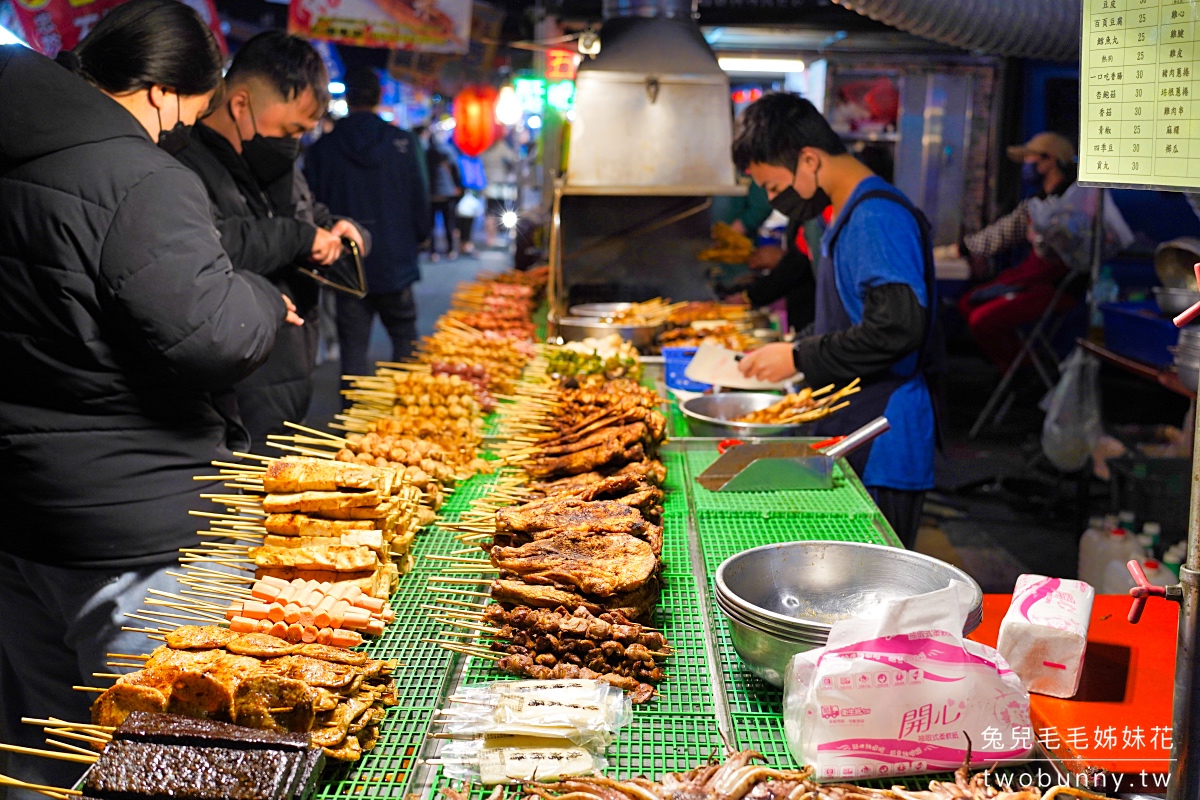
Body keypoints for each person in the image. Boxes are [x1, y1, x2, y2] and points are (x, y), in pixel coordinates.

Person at [0, 1, 291, 792]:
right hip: (138, 537)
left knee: (42, 750)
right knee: (168, 760)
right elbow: (211, 335)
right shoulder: (134, 173)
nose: (178, 136)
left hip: (25, 520)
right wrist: (262, 298)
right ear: (161, 92)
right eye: (187, 116)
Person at [734, 93, 937, 549]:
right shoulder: (849, 214)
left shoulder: (875, 218)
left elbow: (898, 327)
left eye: (772, 186)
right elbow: (848, 318)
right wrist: (793, 348)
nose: (774, 199)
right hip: (858, 421)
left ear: (809, 160)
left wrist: (799, 355)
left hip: (884, 436)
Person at [175, 31, 369, 444]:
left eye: (304, 132)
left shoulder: (276, 159)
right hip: (235, 395)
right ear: (241, 103)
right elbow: (217, 245)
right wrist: (299, 237)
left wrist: (341, 230)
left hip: (289, 376)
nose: (294, 144)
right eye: (289, 129)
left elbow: (307, 214)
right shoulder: (184, 167)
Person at [304, 66, 431, 380]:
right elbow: (421, 197)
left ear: (347, 98)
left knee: (353, 350)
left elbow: (309, 206)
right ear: (379, 97)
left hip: (348, 263)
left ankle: (351, 422)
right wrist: (421, 238)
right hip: (397, 259)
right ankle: (407, 416)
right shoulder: (404, 142)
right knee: (405, 340)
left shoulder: (323, 149)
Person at [934, 132, 1079, 373]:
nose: (1026, 165)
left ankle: (1024, 371)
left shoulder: (1070, 202)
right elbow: (1003, 233)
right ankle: (1016, 365)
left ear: (1049, 160)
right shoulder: (1036, 203)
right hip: (1032, 277)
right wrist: (961, 249)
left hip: (1054, 285)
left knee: (982, 319)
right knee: (968, 302)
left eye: (1030, 158)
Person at [420, 126, 464, 260]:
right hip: (447, 193)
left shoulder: (425, 154)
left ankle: (433, 251)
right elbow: (456, 171)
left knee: (431, 224)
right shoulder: (448, 152)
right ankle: (451, 249)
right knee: (449, 222)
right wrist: (458, 186)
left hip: (432, 193)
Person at [482, 135, 519, 246]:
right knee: (499, 211)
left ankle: (490, 238)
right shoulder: (502, 146)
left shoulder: (484, 148)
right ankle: (495, 236)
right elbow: (513, 159)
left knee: (489, 212)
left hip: (487, 184)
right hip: (500, 185)